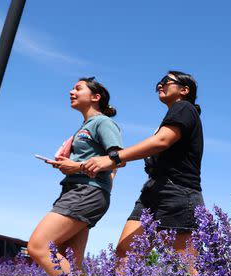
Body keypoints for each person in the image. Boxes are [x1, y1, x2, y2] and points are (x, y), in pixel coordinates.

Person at [27, 77, 123, 276]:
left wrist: (77, 167)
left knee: (38, 247)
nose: (71, 91)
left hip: (86, 193)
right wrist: (67, 165)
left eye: (78, 88)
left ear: (96, 97)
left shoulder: (103, 123)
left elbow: (118, 159)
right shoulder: (85, 127)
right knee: (72, 260)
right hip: (78, 192)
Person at [82, 71, 204, 264]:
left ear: (184, 90)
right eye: (159, 83)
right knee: (126, 252)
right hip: (152, 191)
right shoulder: (174, 113)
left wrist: (114, 157)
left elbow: (161, 141)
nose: (160, 86)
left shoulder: (184, 107)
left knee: (186, 265)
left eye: (166, 82)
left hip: (177, 192)